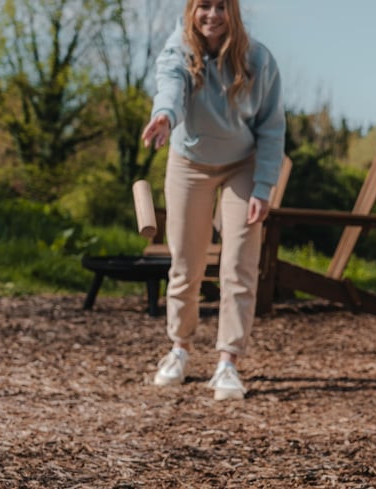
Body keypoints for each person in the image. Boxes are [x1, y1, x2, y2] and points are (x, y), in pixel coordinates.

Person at [141, 0, 285, 400]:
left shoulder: (258, 59)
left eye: (221, 6)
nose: (212, 14)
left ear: (233, 12)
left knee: (239, 261)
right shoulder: (179, 50)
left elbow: (272, 127)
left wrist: (263, 186)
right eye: (204, 5)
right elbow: (170, 86)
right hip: (189, 163)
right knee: (185, 261)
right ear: (191, 10)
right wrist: (165, 116)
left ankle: (227, 363)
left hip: (243, 163)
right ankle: (179, 349)